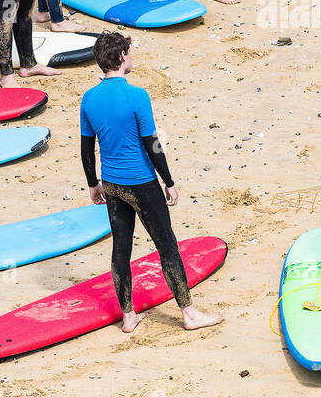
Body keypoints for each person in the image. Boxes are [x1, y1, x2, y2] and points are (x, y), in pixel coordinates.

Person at [79, 32, 221, 332]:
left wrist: (94, 183)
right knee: (167, 245)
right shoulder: (137, 96)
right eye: (128, 53)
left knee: (121, 248)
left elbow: (85, 147)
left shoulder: (89, 99)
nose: (131, 57)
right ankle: (189, 314)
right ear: (120, 57)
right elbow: (152, 144)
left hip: (112, 185)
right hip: (142, 184)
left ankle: (128, 316)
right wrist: (168, 181)